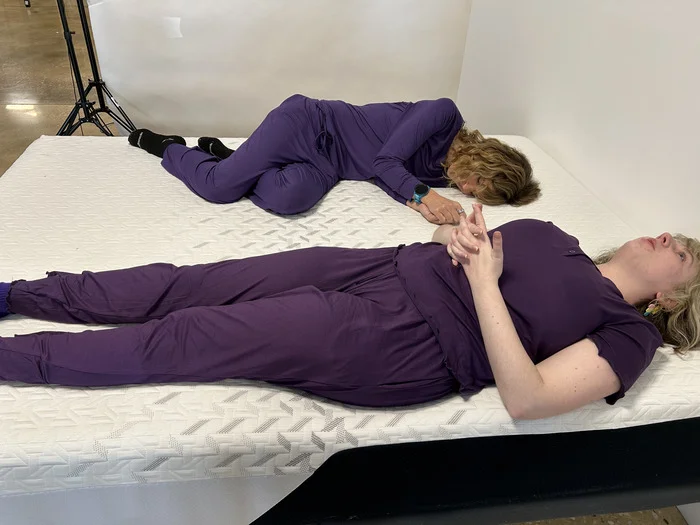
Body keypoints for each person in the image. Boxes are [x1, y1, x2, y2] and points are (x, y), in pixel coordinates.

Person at [0, 205, 697, 419]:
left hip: (407, 341)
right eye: (676, 234)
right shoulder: (553, 234)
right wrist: (454, 238)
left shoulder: (628, 336)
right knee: (189, 284)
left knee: (191, 335)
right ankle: (13, 294)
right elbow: (449, 243)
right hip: (383, 264)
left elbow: (528, 398)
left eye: (685, 254)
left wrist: (485, 283)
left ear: (673, 299)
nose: (668, 237)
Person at [127, 95, 540, 225]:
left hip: (330, 166)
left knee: (290, 199)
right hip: (308, 125)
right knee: (219, 188)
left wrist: (415, 202)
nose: (465, 189)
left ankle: (232, 159)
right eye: (477, 183)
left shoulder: (444, 173)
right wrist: (423, 195)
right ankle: (169, 147)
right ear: (486, 160)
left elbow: (381, 176)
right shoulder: (443, 115)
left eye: (475, 194)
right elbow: (386, 162)